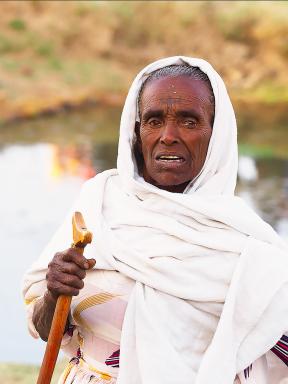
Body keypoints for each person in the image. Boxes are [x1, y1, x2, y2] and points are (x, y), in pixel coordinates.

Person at [22, 56, 288, 384]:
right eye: (154, 120)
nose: (168, 135)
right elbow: (45, 330)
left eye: (189, 121)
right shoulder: (99, 203)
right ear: (137, 131)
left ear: (215, 133)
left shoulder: (252, 249)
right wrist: (53, 291)